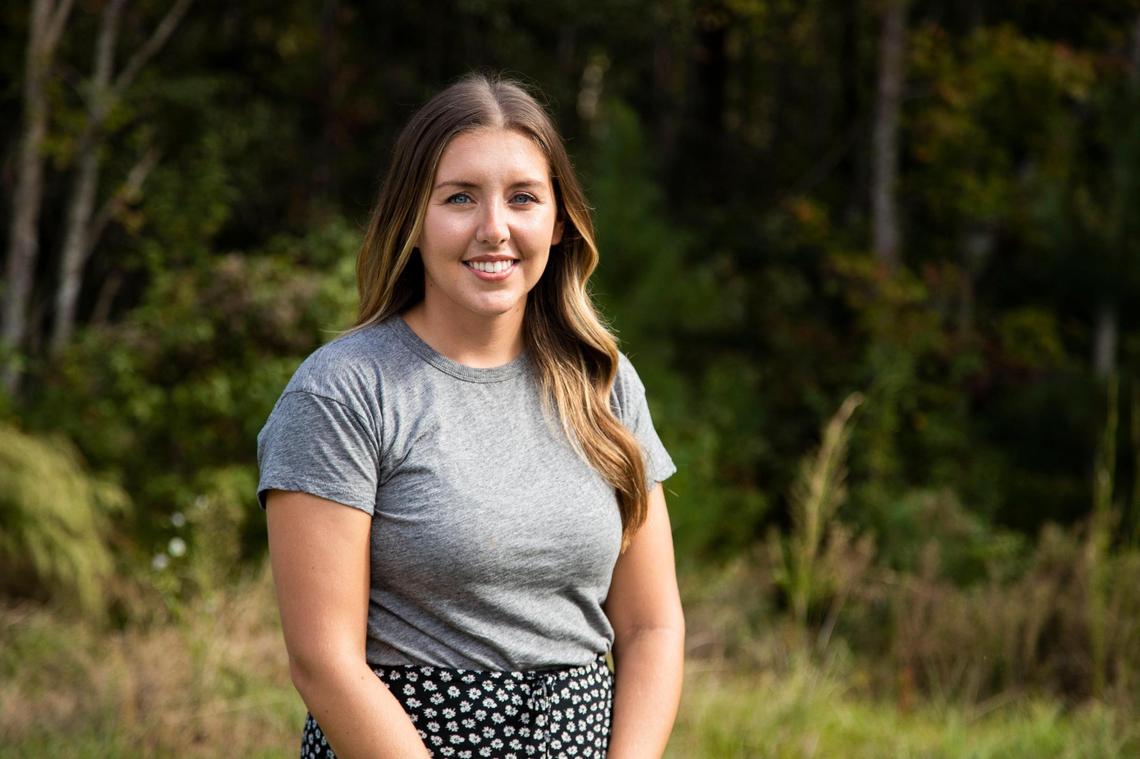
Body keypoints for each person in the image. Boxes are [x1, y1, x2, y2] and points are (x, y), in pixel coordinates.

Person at [256, 72, 684, 759]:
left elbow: (651, 628)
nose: (494, 229)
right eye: (459, 197)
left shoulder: (603, 383)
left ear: (559, 221)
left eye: (523, 198)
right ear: (413, 219)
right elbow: (324, 661)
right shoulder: (343, 393)